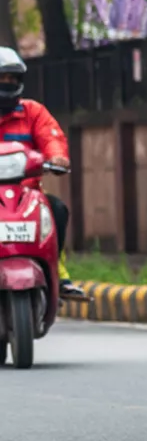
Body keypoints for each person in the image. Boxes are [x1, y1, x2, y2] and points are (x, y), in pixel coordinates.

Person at [0, 46, 85, 298]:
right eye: (2, 79)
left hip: (27, 194)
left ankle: (56, 273)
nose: (7, 84)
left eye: (12, 79)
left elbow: (52, 137)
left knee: (56, 210)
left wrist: (57, 157)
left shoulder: (33, 112)